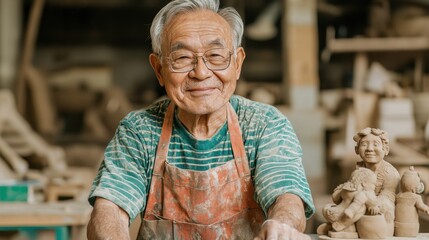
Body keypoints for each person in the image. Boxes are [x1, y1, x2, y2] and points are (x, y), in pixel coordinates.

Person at [86, 0, 315, 239]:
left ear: (237, 63)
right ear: (159, 69)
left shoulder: (264, 124)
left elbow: (286, 196)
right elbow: (110, 208)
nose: (201, 72)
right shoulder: (139, 131)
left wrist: (282, 225)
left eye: (215, 55)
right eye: (182, 57)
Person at [354, 127, 400, 236]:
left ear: (386, 149)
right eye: (364, 144)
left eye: (375, 144)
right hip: (361, 207)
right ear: (356, 149)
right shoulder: (359, 168)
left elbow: (388, 198)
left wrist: (370, 203)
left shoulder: (390, 172)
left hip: (381, 213)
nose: (369, 149)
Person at [318, 167, 379, 236]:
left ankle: (331, 226)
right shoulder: (365, 193)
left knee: (330, 206)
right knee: (361, 208)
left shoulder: (346, 188)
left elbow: (335, 199)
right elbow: (372, 202)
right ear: (364, 183)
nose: (374, 187)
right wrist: (373, 207)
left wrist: (340, 189)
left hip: (329, 211)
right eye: (373, 184)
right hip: (343, 216)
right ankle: (344, 227)